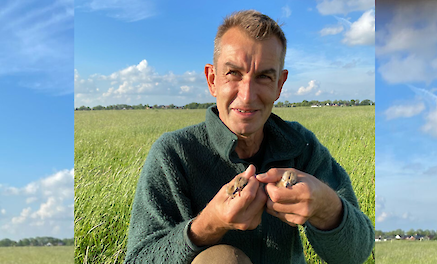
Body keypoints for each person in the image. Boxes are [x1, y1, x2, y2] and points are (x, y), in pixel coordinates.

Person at [124, 10, 374, 264]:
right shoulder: (174, 153)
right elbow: (138, 258)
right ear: (212, 80)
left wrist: (326, 207)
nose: (247, 96)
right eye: (233, 73)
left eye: (264, 77)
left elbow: (357, 254)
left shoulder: (299, 146)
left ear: (279, 84)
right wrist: (208, 225)